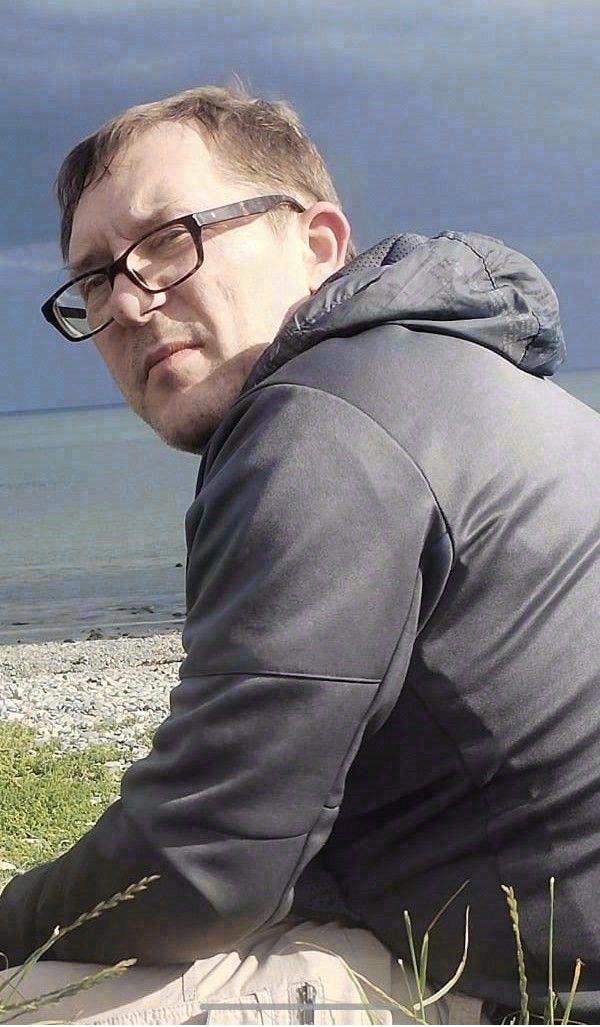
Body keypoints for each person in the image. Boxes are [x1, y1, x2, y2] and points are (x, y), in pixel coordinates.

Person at [0, 83, 599, 1025]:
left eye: (169, 239)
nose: (130, 302)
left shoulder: (321, 423)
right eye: (96, 279)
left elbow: (202, 864)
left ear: (318, 244)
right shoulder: (445, 374)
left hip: (537, 991)